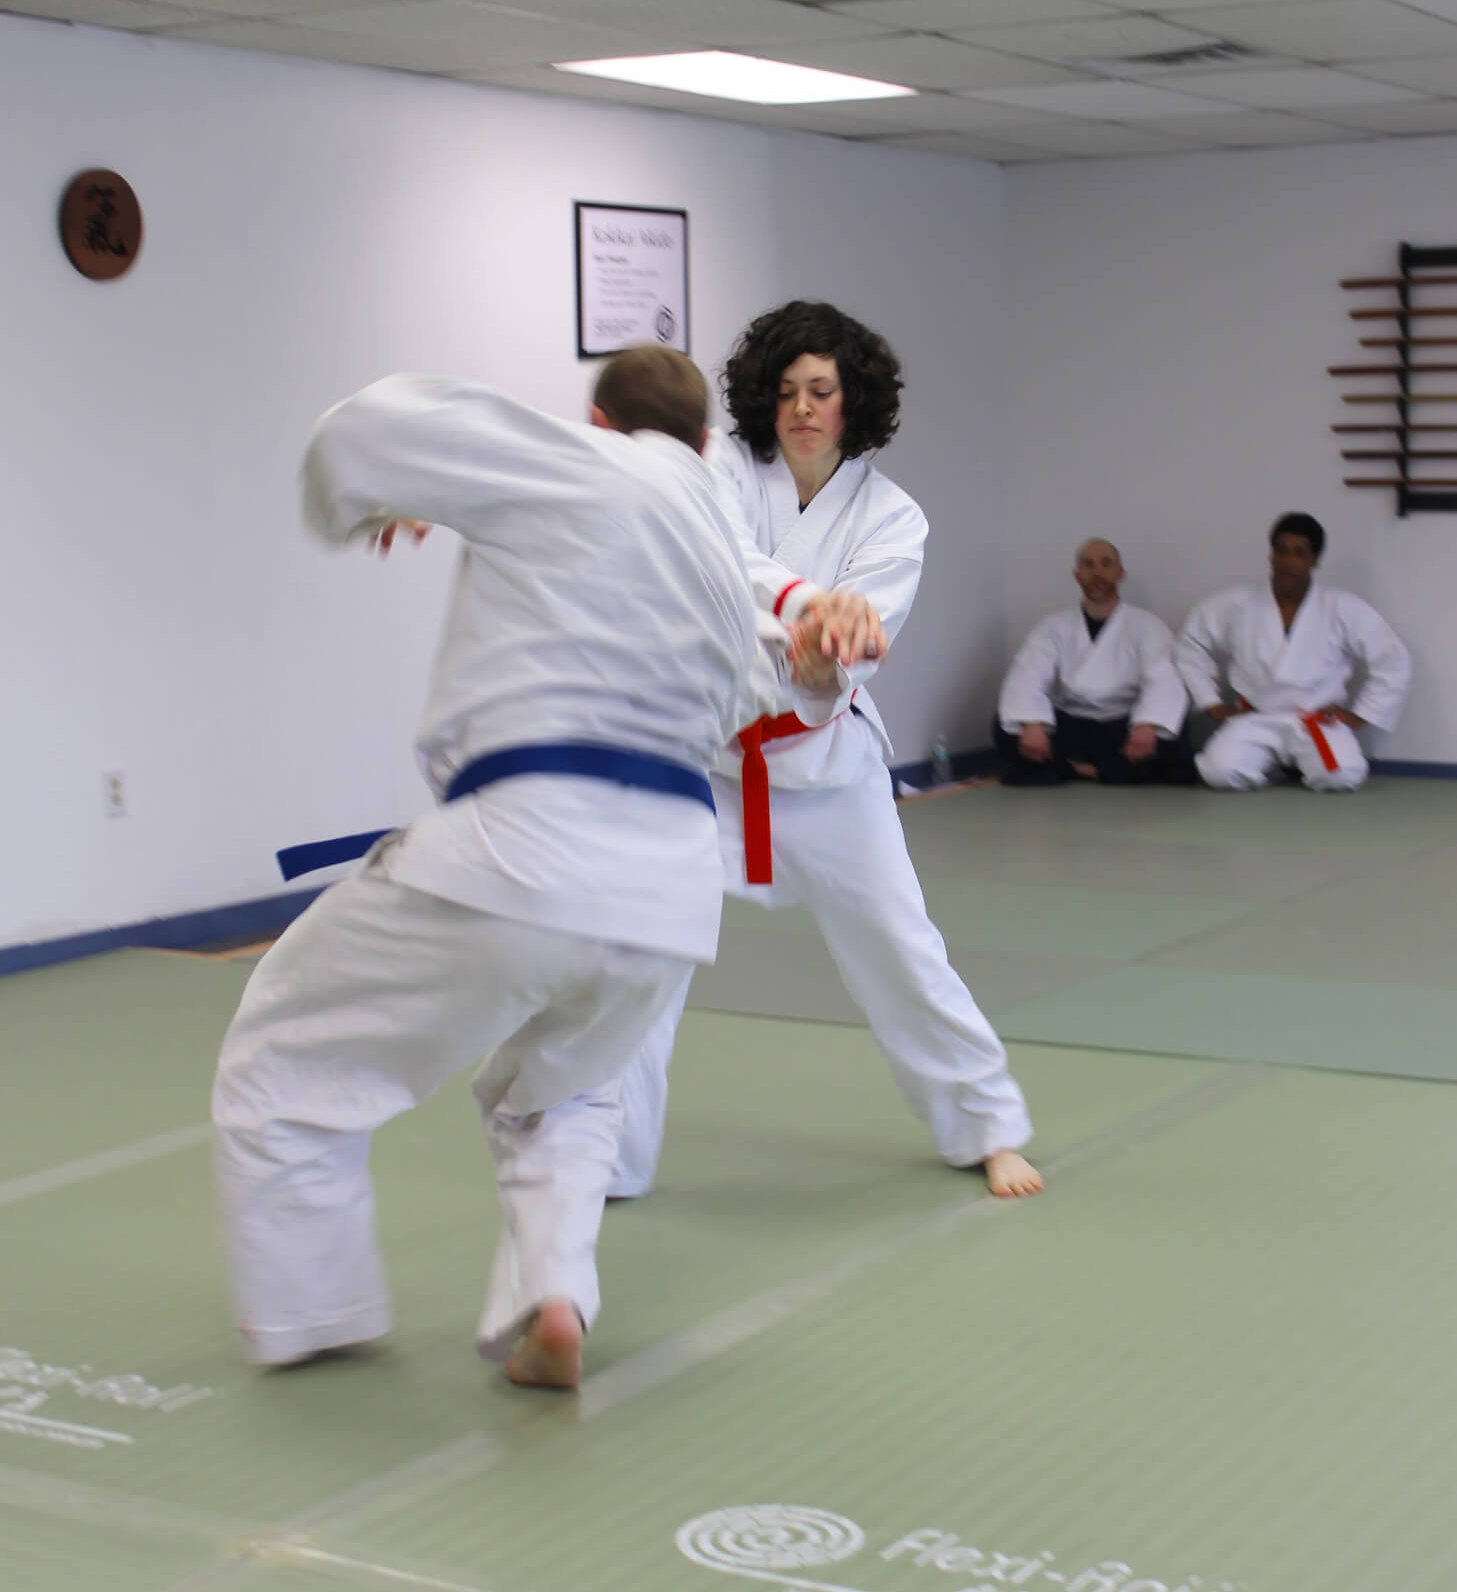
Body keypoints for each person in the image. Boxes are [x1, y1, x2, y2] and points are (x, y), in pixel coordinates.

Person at [211, 347, 847, 1391]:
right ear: (703, 444)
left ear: (597, 421)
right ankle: (552, 1297)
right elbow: (789, 686)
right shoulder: (713, 552)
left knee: (286, 1052)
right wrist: (816, 658)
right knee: (572, 1088)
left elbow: (362, 428)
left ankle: (311, 1311)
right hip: (670, 893)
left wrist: (368, 499)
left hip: (522, 846)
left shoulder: (572, 462)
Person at [610, 301, 1042, 1204]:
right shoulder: (719, 469)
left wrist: (821, 654)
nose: (803, 407)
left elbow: (855, 640)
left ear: (856, 401)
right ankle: (607, 1156)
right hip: (710, 765)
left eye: (823, 391)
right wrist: (806, 608)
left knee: (901, 947)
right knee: (641, 950)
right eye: (787, 390)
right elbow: (711, 566)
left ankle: (987, 1126)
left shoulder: (893, 518)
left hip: (826, 765)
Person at [1176, 512, 1411, 791]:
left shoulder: (1343, 608)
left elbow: (1392, 660)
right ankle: (1271, 766)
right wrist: (1211, 703)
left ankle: (1287, 764)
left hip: (1317, 721)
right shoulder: (1235, 604)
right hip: (1256, 718)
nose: (1289, 561)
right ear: (1271, 554)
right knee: (1220, 774)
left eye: (1300, 553)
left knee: (1341, 777)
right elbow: (1191, 645)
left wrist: (1361, 715)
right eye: (1281, 551)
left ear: (1315, 560)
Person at [994, 537, 1191, 785]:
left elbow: (1163, 678)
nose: (1097, 572)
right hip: (1073, 724)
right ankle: (1107, 771)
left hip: (1124, 725)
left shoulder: (1148, 626)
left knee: (1175, 736)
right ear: (1078, 576)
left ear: (1120, 573)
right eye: (1088, 565)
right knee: (1005, 727)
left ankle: (1072, 770)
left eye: (1106, 564)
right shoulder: (1053, 627)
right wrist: (1032, 724)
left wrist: (1148, 724)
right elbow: (1027, 674)